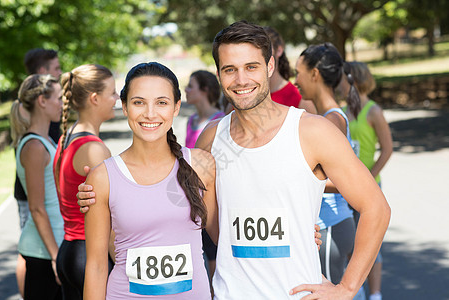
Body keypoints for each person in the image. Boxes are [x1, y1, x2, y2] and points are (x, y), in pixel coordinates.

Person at [79, 21, 390, 299]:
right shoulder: (211, 140)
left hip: (298, 293)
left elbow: (375, 207)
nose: (241, 79)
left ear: (270, 66)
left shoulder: (312, 131)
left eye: (251, 67)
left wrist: (347, 288)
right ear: (219, 75)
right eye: (230, 69)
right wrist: (99, 192)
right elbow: (208, 219)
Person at [83, 62, 219, 299]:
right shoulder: (102, 177)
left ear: (176, 107)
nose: (150, 113)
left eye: (161, 102)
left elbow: (225, 240)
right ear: (124, 107)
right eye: (138, 102)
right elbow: (95, 267)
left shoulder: (201, 165)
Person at [294, 42, 364, 289]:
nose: (295, 80)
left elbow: (345, 183)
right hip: (330, 226)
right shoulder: (328, 117)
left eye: (298, 73)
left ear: (314, 74)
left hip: (330, 225)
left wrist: (296, 181)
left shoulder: (332, 120)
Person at [53, 64, 118, 299]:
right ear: (95, 98)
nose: (116, 98)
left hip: (68, 253)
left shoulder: (65, 138)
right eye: (112, 92)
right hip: (90, 256)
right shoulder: (94, 150)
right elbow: (110, 218)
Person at [13, 48, 63, 298]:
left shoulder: (45, 141)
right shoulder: (33, 145)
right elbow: (36, 207)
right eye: (59, 98)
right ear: (42, 101)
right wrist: (56, 256)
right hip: (43, 253)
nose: (62, 104)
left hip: (53, 246)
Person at [342, 61, 393, 300]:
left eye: (343, 78)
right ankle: (357, 289)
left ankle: (375, 294)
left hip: (368, 186)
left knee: (371, 242)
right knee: (352, 242)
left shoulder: (373, 111)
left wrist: (368, 178)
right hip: (345, 186)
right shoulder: (342, 111)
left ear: (354, 79)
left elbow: (387, 149)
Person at [184, 70, 224, 289]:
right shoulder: (190, 121)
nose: (186, 91)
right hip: (192, 198)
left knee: (214, 254)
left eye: (191, 86)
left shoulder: (220, 120)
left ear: (205, 91)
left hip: (212, 198)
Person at [263, 26, 316, 113]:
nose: (261, 54)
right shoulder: (244, 97)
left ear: (279, 50)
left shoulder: (300, 98)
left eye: (265, 48)